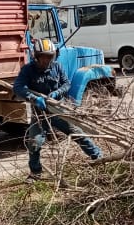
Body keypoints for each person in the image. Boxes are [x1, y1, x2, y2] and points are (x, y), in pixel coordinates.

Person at [12, 36, 102, 179]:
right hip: (40, 113)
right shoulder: (28, 70)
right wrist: (34, 98)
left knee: (78, 134)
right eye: (43, 57)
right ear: (37, 56)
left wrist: (57, 93)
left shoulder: (57, 67)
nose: (46, 60)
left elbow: (66, 84)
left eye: (49, 57)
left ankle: (98, 158)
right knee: (34, 143)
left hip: (59, 111)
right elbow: (17, 87)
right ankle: (35, 173)